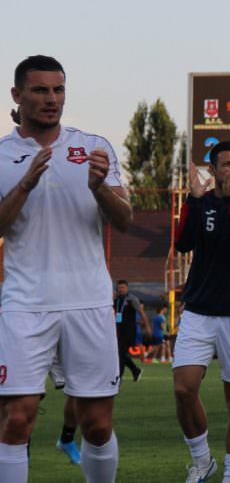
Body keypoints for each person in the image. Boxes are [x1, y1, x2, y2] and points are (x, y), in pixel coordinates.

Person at [0, 55, 132, 482]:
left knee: (97, 425)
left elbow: (125, 219)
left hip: (89, 300)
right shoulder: (2, 156)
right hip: (25, 303)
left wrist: (98, 190)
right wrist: (24, 184)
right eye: (40, 90)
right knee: (16, 421)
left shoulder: (93, 148)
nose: (51, 99)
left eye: (58, 90)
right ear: (17, 96)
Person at [172, 141, 230, 483]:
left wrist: (229, 200)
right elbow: (182, 242)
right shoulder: (202, 202)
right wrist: (193, 201)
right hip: (199, 310)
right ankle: (202, 460)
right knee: (184, 388)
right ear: (212, 169)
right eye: (226, 164)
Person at [115, 280, 150, 380]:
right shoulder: (117, 300)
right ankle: (135, 370)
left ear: (127, 288)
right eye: (119, 288)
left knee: (120, 354)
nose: (121, 290)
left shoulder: (132, 299)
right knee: (120, 353)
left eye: (123, 287)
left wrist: (147, 326)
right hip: (119, 330)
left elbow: (142, 312)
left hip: (129, 331)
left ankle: (119, 378)